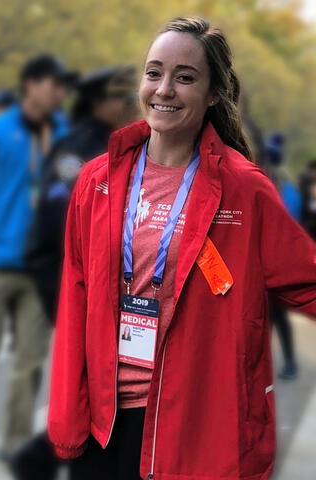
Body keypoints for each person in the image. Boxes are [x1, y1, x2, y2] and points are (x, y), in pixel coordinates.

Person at [48, 17, 316, 480]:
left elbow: (308, 280)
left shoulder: (243, 190)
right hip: (105, 428)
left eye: (185, 77)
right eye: (154, 73)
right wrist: (69, 418)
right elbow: (76, 297)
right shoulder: (98, 180)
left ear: (213, 93)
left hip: (192, 431)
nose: (164, 89)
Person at [10, 65, 139, 480]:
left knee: (109, 397)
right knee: (93, 397)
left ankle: (43, 458)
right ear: (102, 102)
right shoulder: (79, 152)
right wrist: (71, 305)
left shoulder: (121, 146)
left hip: (109, 296)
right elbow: (53, 234)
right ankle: (38, 458)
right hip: (80, 294)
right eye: (124, 99)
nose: (132, 107)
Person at [0, 54, 75, 458]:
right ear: (30, 85)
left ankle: (15, 439)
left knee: (31, 361)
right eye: (54, 84)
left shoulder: (65, 136)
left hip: (41, 270)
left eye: (63, 87)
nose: (60, 93)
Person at [263, 133, 301, 380]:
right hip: (259, 262)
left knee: (275, 314)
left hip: (277, 264)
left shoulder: (287, 190)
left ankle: (288, 361)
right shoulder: (264, 181)